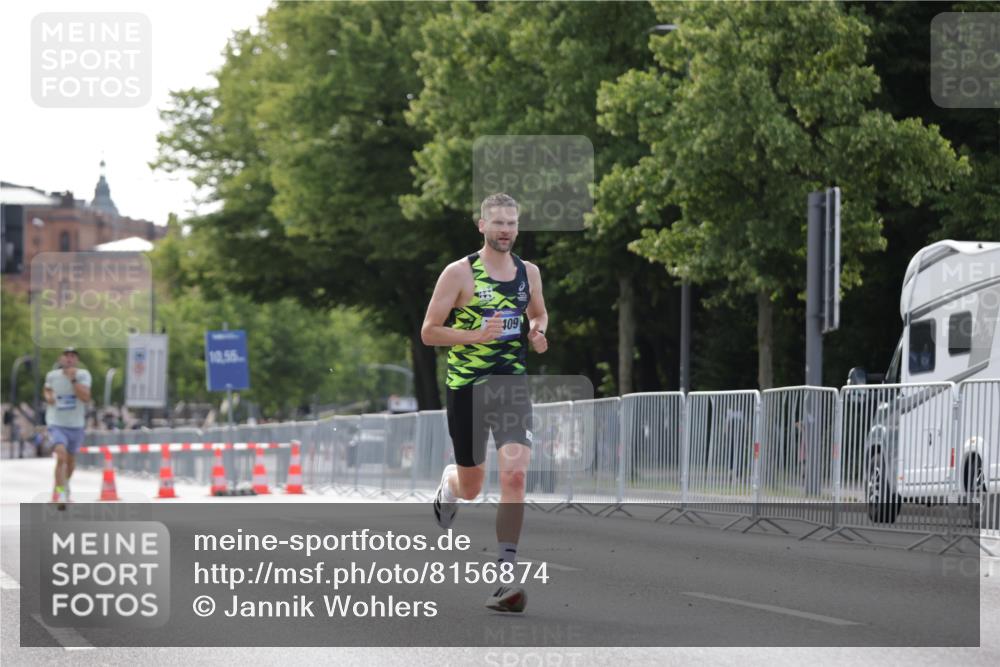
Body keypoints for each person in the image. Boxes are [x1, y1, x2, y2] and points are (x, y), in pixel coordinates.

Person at [421, 193, 548, 613]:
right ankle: (450, 485)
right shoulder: (459, 274)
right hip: (467, 388)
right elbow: (429, 332)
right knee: (473, 487)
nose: (506, 230)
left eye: (512, 223)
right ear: (481, 226)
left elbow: (538, 313)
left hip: (510, 385)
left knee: (514, 475)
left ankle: (505, 577)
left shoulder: (529, 273)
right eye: (498, 223)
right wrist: (474, 335)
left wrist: (536, 330)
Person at [43, 347, 92, 508]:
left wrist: (73, 380)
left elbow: (85, 397)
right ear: (61, 359)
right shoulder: (52, 376)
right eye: (66, 356)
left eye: (73, 356)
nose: (69, 359)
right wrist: (49, 397)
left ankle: (65, 484)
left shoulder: (83, 375)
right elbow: (47, 390)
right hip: (56, 423)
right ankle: (60, 493)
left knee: (70, 462)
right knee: (61, 456)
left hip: (76, 425)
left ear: (76, 360)